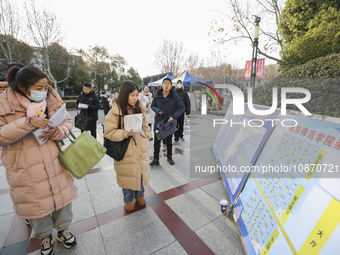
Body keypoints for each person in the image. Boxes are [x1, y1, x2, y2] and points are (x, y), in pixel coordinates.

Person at [0, 66, 78, 255]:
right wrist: (27, 123)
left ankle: (62, 230)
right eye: (39, 87)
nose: (43, 91)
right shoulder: (4, 102)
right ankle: (44, 237)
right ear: (23, 87)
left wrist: (58, 131)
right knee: (37, 206)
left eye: (46, 86)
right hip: (25, 167)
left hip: (55, 160)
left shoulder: (50, 97)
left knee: (62, 200)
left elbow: (68, 122)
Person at [104, 80, 152, 211]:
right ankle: (129, 199)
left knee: (140, 173)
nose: (135, 98)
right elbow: (108, 132)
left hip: (140, 148)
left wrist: (148, 136)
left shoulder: (139, 107)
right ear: (125, 94)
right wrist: (125, 133)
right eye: (132, 95)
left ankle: (140, 195)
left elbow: (146, 124)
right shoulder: (115, 111)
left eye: (136, 95)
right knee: (128, 175)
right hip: (125, 150)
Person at [150, 78, 185, 166]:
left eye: (168, 83)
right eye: (165, 83)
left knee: (169, 141)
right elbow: (152, 106)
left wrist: (173, 117)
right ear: (162, 85)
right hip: (159, 122)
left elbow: (182, 107)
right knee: (157, 141)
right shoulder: (157, 94)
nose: (166, 85)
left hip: (169, 122)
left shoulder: (174, 95)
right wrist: (157, 110)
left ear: (171, 86)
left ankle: (169, 157)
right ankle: (155, 159)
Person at [174, 80, 190, 144]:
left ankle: (180, 135)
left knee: (181, 124)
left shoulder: (184, 93)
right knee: (175, 125)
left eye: (180, 83)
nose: (179, 84)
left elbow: (187, 102)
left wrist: (187, 112)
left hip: (181, 111)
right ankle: (176, 138)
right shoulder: (174, 93)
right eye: (178, 83)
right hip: (175, 112)